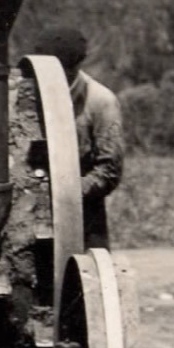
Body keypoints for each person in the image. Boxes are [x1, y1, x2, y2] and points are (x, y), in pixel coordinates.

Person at [32, 26, 124, 249]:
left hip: (83, 216)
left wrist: (66, 193)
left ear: (75, 67)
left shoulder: (101, 102)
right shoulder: (28, 95)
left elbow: (109, 171)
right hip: (31, 211)